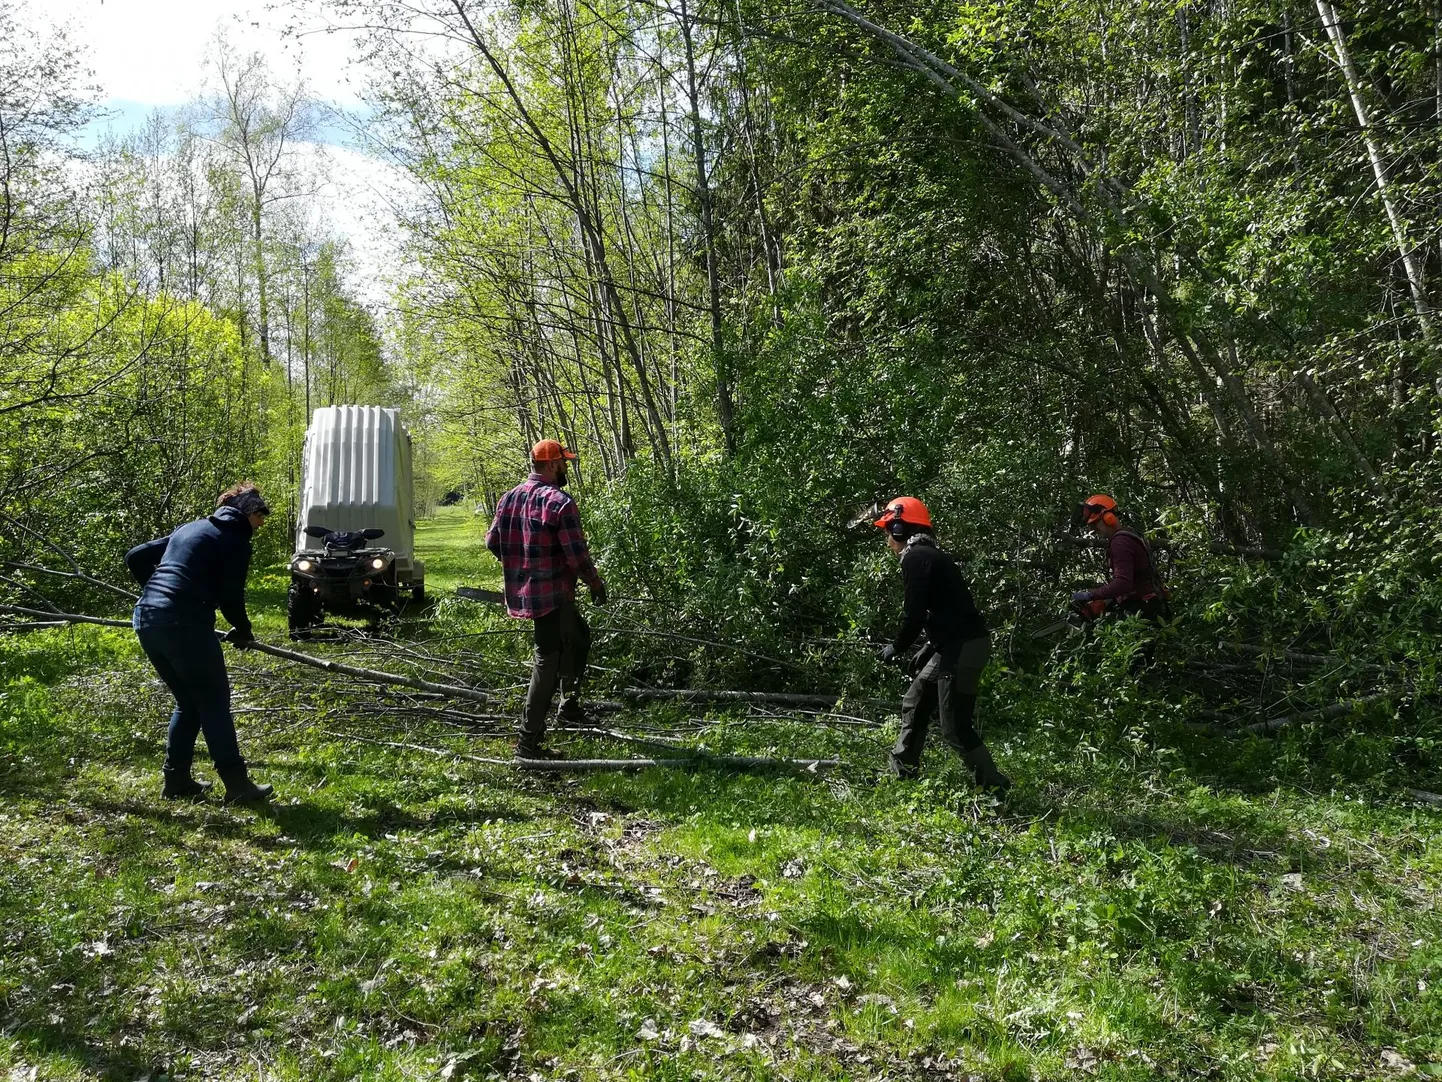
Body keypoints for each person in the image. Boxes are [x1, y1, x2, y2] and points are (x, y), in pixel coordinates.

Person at [125, 483, 274, 804]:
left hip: (146, 619)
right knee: (214, 703)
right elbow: (231, 597)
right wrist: (243, 630)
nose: (261, 523)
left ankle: (176, 780)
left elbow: (135, 556)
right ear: (248, 512)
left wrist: (156, 592)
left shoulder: (192, 528)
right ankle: (238, 786)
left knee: (189, 702)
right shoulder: (235, 540)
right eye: (260, 515)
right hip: (184, 625)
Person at [874, 497, 1011, 792]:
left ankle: (994, 787)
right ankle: (904, 772)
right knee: (916, 700)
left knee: (954, 726)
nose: (887, 539)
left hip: (964, 647)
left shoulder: (915, 558)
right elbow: (947, 609)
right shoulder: (929, 556)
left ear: (900, 528)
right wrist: (929, 644)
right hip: (950, 644)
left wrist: (897, 646)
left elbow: (914, 614)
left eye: (888, 531)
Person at [486, 440, 607, 759]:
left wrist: (519, 566)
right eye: (564, 462)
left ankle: (569, 707)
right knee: (547, 660)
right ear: (552, 464)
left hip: (528, 593)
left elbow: (492, 541)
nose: (567, 467)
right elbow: (576, 556)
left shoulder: (509, 497)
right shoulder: (560, 503)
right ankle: (528, 742)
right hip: (552, 595)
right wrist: (595, 583)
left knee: (579, 637)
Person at [1071, 494, 1170, 621]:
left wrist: (1091, 595)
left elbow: (1123, 583)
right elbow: (1135, 578)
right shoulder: (1129, 534)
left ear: (1108, 518)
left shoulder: (1120, 543)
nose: (1092, 529)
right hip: (1152, 604)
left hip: (1143, 611)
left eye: (1095, 524)